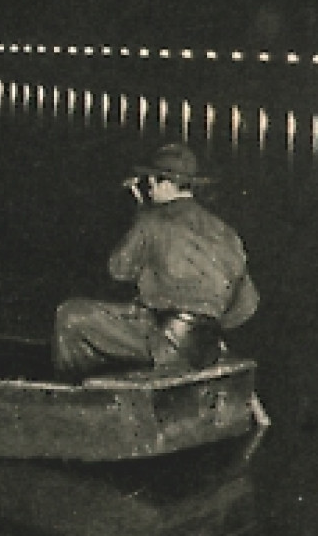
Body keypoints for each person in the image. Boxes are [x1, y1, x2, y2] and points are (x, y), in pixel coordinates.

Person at [52, 142, 259, 381]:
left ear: (167, 183)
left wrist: (141, 217)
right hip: (205, 348)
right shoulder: (225, 230)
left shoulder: (151, 220)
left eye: (150, 181)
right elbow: (246, 306)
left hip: (164, 344)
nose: (148, 189)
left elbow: (119, 270)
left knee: (70, 315)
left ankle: (75, 403)